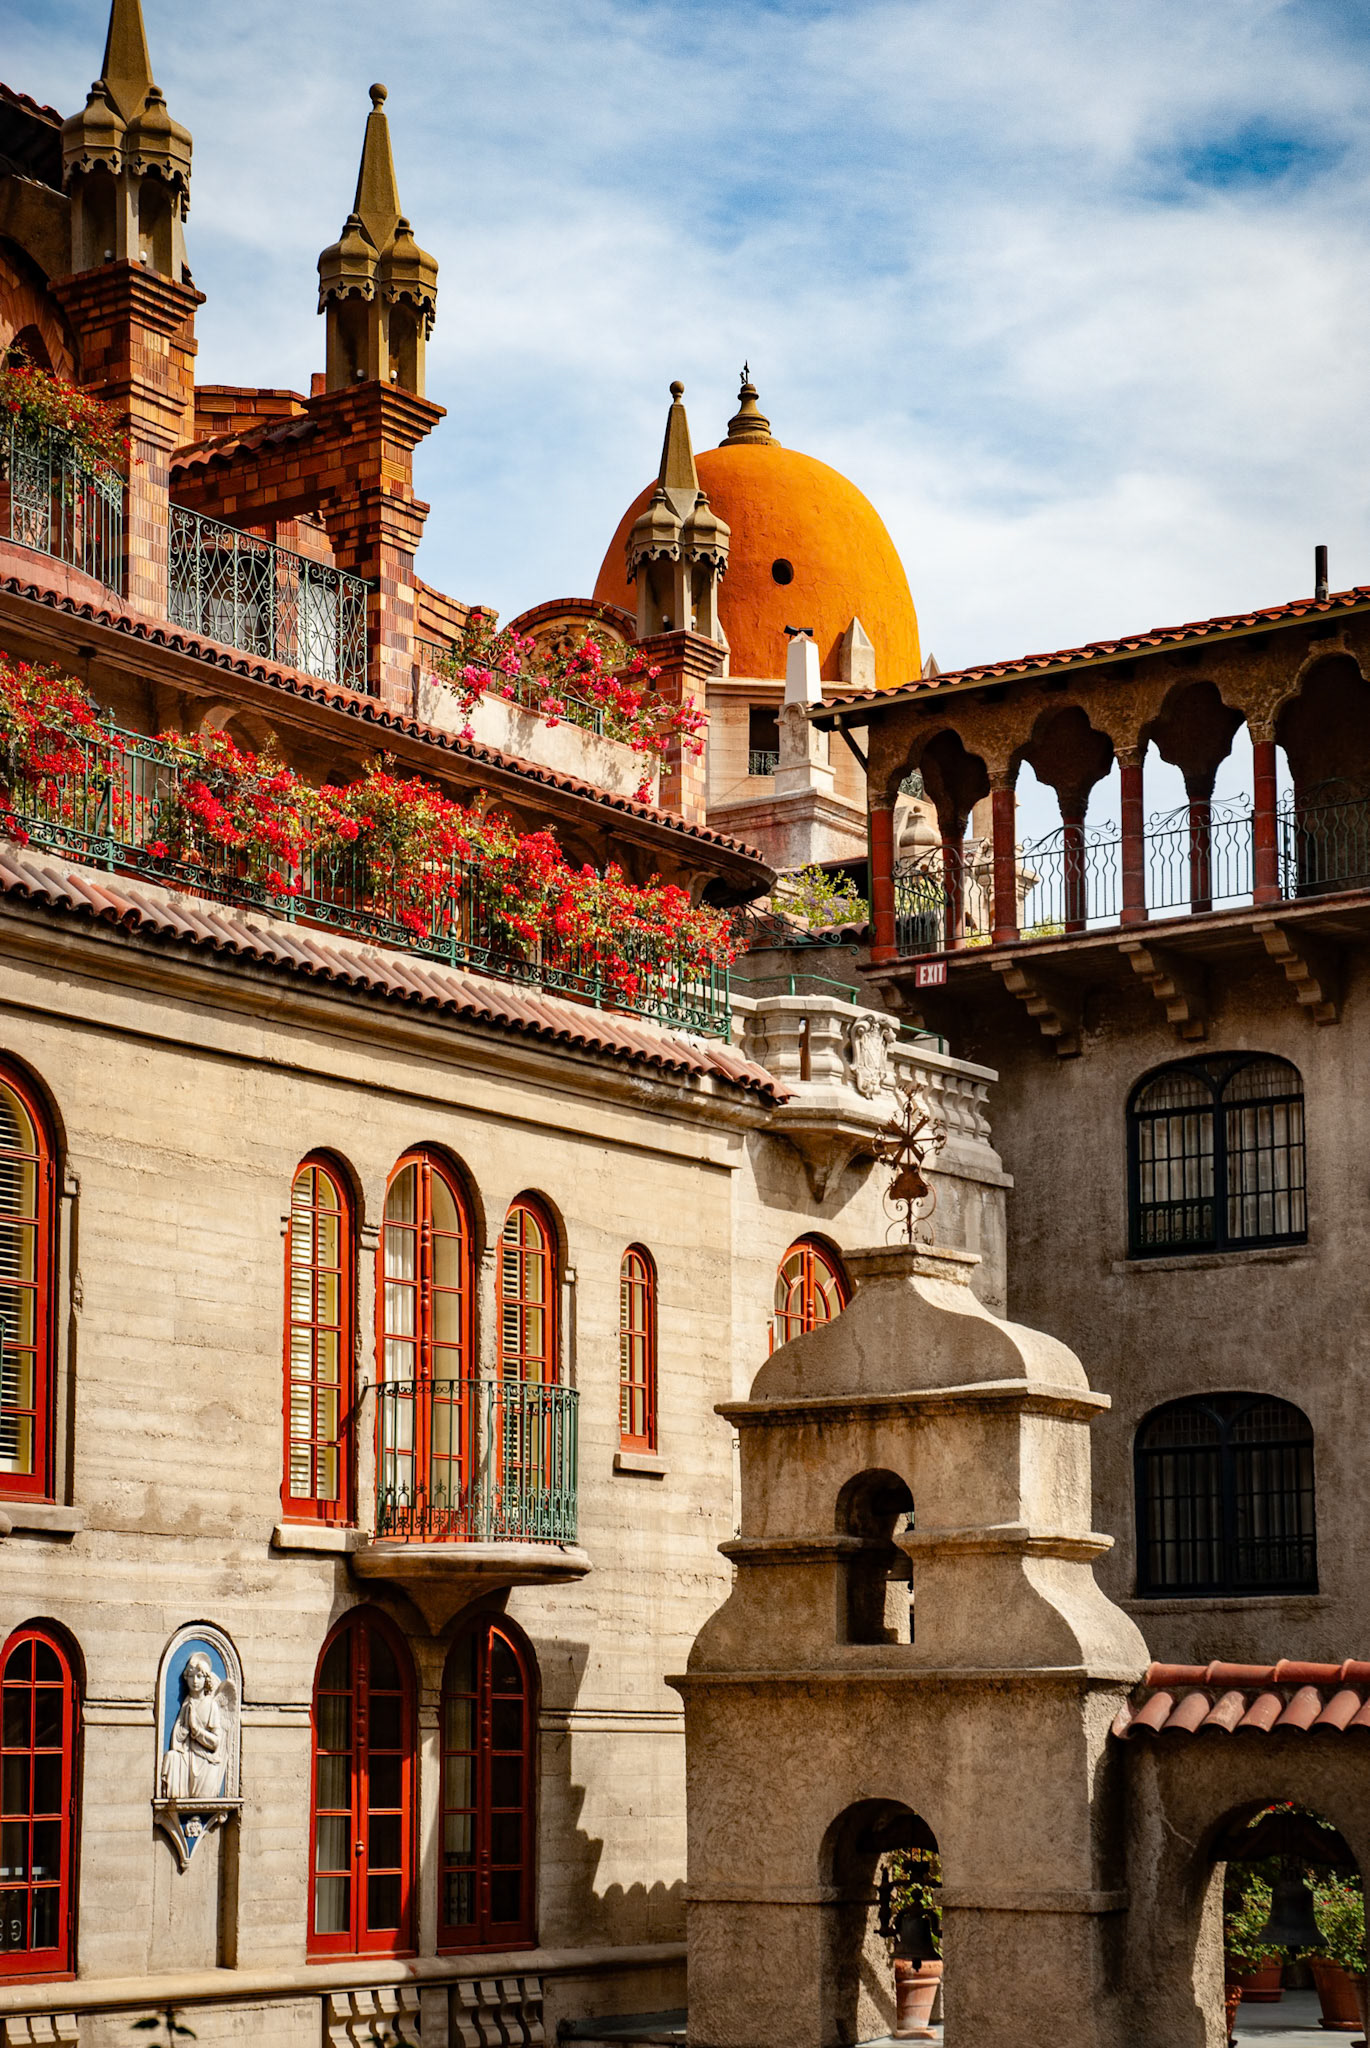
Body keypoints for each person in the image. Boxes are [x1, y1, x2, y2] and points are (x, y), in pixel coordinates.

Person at [160, 1651, 230, 1800]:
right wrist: (186, 1728)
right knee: (171, 1757)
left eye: (199, 1676)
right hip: (188, 1756)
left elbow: (216, 1742)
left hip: (206, 1761)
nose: (195, 1681)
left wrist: (196, 1730)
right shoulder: (187, 1703)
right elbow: (177, 1738)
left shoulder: (211, 1705)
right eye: (191, 1676)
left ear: (206, 1679)